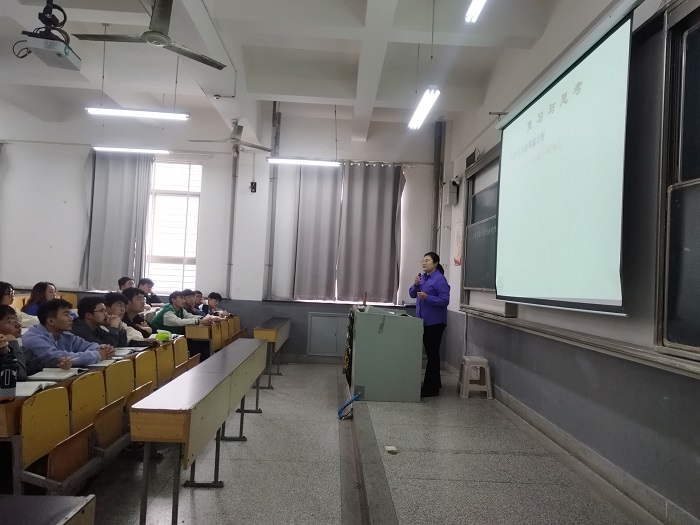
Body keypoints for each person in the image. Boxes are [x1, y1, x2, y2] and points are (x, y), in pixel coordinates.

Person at [22, 299, 115, 366]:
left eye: (70, 314)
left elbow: (86, 345)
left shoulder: (65, 334)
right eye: (66, 314)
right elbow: (57, 357)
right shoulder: (33, 338)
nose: (71, 318)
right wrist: (97, 355)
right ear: (51, 321)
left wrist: (104, 348)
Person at [409, 252, 450, 398]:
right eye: (423, 260)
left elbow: (445, 301)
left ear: (436, 263)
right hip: (423, 322)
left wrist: (428, 298)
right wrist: (415, 284)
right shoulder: (423, 277)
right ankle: (435, 384)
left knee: (432, 355)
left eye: (427, 260)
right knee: (432, 354)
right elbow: (412, 294)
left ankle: (430, 389)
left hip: (435, 323)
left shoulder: (440, 279)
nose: (424, 263)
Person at [0, 305, 69, 380]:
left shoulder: (21, 347)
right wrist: (12, 343)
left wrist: (58, 362)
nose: (19, 325)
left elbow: (34, 364)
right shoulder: (16, 343)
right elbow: (19, 375)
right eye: (10, 321)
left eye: (17, 320)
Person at [150, 291, 215, 336]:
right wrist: (199, 321)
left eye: (184, 298)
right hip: (158, 335)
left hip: (171, 334)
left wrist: (203, 318)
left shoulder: (180, 308)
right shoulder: (167, 312)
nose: (184, 301)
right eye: (181, 298)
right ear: (173, 300)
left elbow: (188, 316)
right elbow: (179, 322)